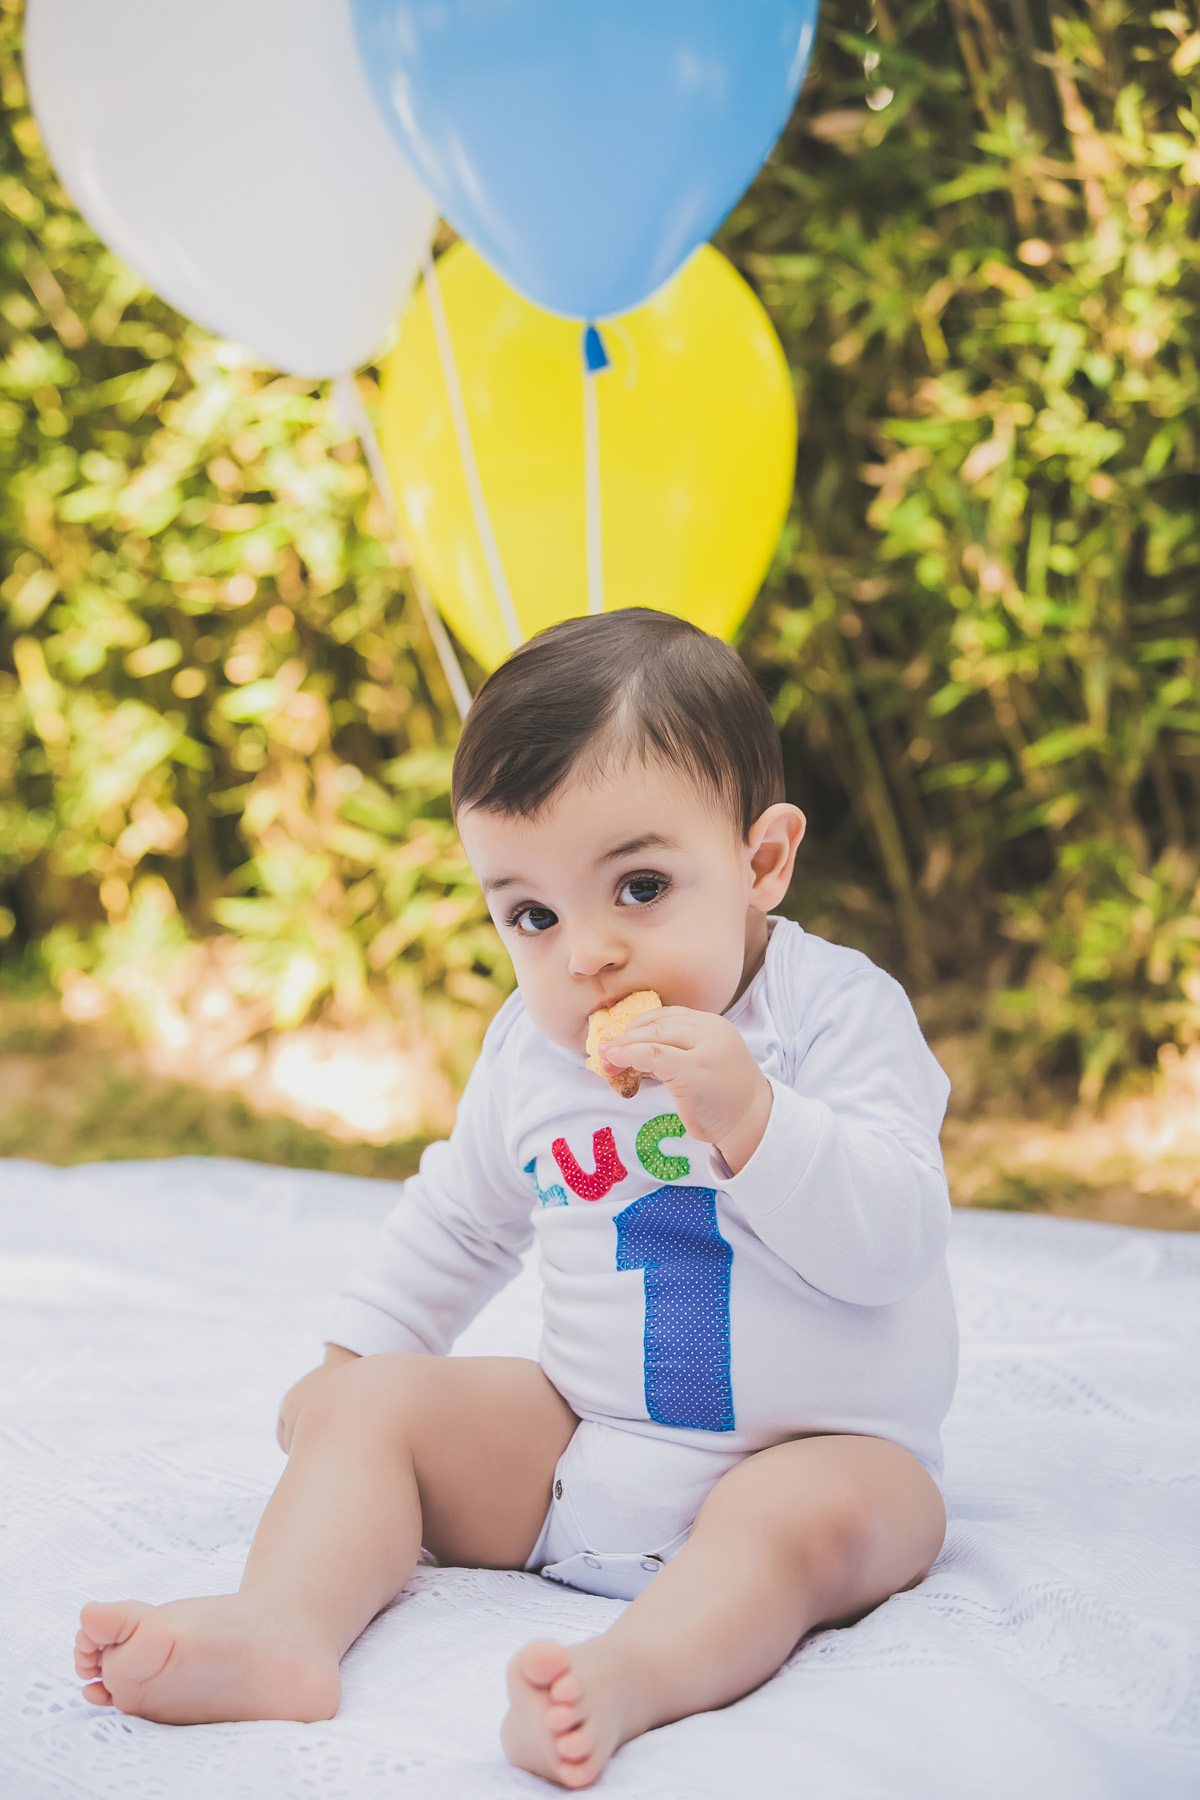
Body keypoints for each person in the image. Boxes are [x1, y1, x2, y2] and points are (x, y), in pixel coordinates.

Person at [75, 609, 956, 1789]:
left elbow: (895, 1239)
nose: (584, 953)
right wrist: (352, 1367)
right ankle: (283, 1628)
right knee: (372, 1408)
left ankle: (626, 1678)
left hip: (819, 1451)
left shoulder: (833, 1015)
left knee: (813, 1515)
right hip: (584, 1449)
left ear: (761, 863)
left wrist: (754, 1118)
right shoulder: (532, 1055)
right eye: (531, 915)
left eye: (637, 886)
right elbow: (459, 1218)